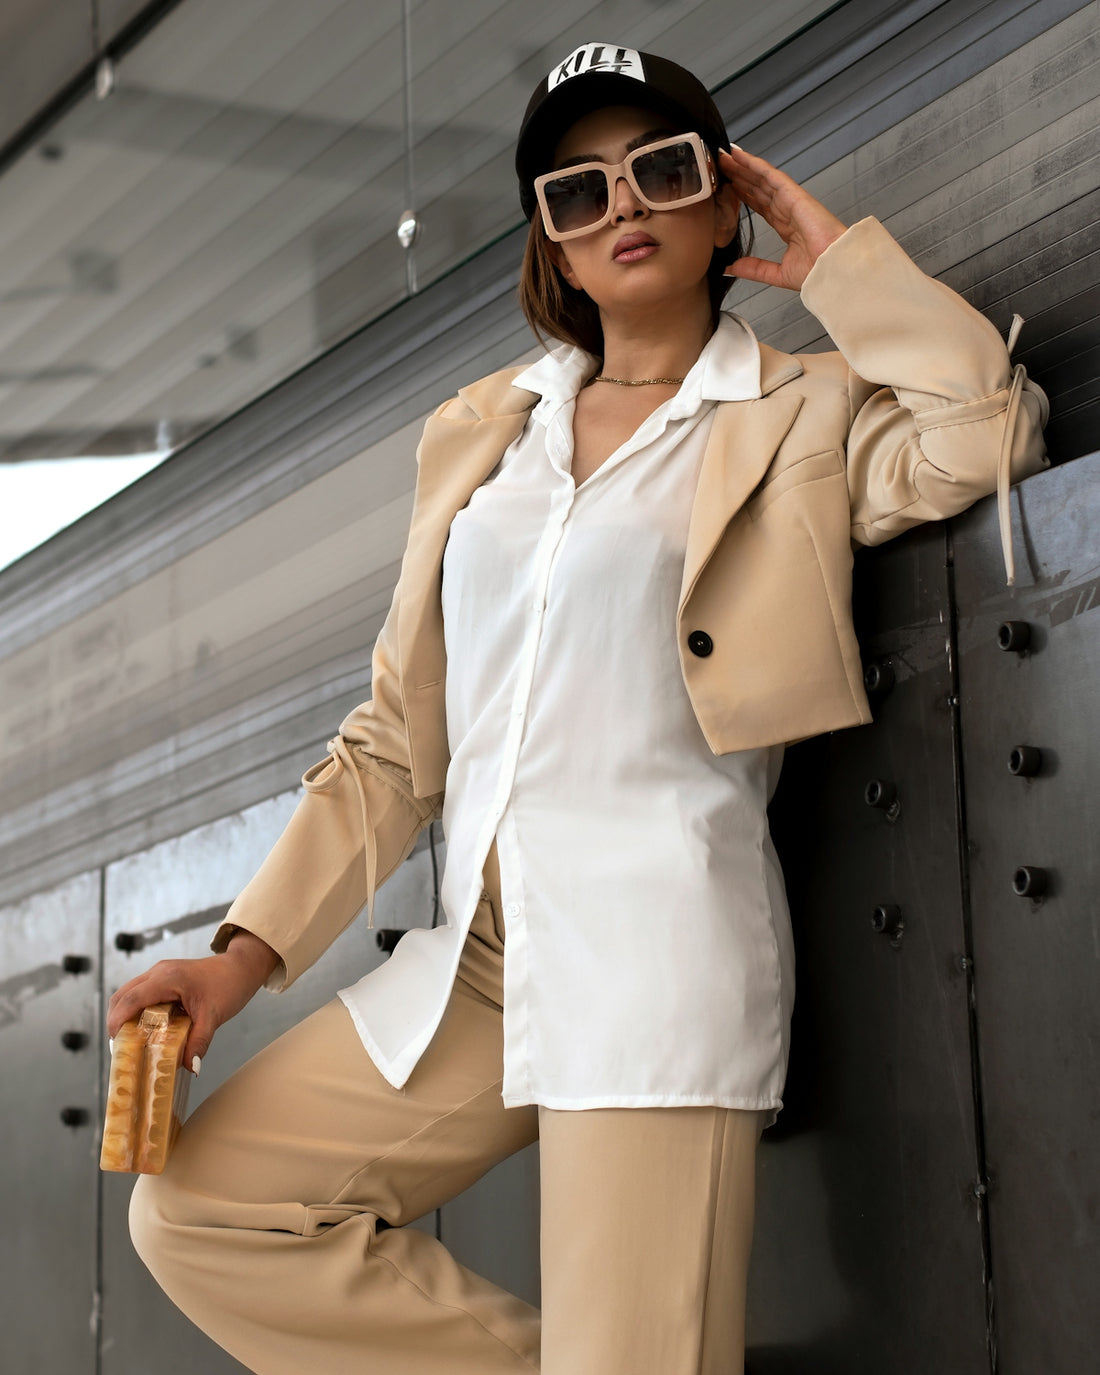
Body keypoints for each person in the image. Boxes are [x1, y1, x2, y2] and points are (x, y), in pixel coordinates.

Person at [106, 42, 1048, 1375]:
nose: (622, 209)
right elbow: (391, 743)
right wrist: (239, 958)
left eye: (661, 173)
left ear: (723, 201)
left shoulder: (795, 416)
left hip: (652, 956)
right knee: (203, 1210)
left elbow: (984, 432)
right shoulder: (482, 432)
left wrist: (840, 271)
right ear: (548, 234)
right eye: (577, 191)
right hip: (477, 962)